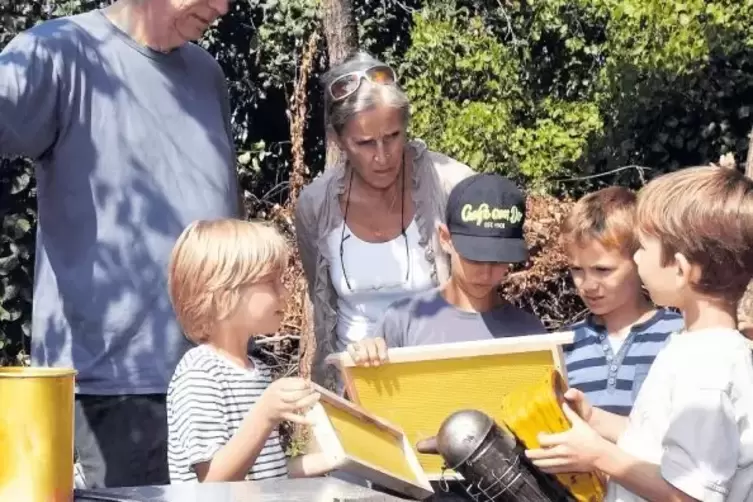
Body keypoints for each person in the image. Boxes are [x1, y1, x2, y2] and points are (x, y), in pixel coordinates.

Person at [0, 0, 241, 488]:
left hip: (218, 378)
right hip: (114, 385)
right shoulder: (59, 53)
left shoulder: (206, 74)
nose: (223, 7)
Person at [526, 165, 753, 502]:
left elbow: (690, 495)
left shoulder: (707, 369)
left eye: (642, 249)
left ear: (680, 269)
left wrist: (599, 455)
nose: (637, 258)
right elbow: (659, 445)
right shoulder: (694, 349)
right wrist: (593, 419)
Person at [294, 51, 474, 387]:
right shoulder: (315, 206)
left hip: (441, 376)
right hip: (357, 388)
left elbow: (482, 287)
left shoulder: (451, 185)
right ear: (338, 140)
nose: (382, 156)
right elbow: (322, 304)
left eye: (392, 136)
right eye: (364, 143)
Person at [166, 219, 332, 483]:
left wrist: (331, 458)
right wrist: (265, 414)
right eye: (270, 282)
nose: (286, 293)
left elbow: (263, 473)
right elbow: (212, 481)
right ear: (222, 295)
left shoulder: (257, 371)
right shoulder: (199, 374)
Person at [346, 173, 546, 365]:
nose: (486, 273)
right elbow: (357, 399)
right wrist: (366, 360)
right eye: (474, 257)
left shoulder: (529, 334)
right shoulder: (403, 321)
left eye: (498, 260)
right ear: (445, 239)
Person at [560, 187, 683, 416]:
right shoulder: (564, 345)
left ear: (639, 260)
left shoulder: (680, 336)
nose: (587, 285)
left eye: (602, 270)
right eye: (577, 269)